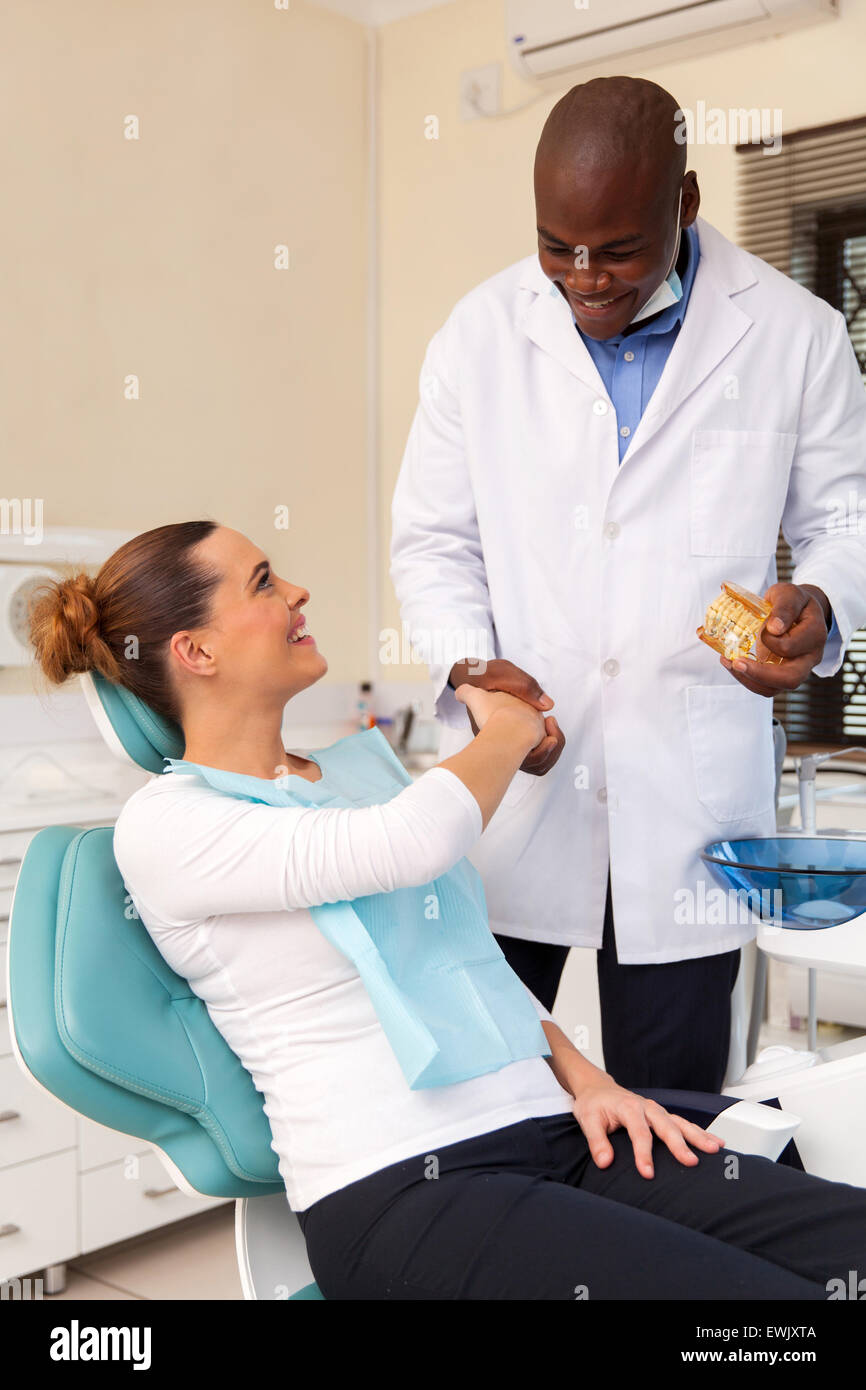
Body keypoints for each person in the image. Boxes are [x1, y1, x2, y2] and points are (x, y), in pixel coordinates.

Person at [28, 520, 866, 1300]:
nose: (297, 592)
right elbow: (407, 843)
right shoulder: (170, 824)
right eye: (263, 583)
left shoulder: (356, 773)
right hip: (402, 1190)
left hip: (558, 1133)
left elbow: (469, 961)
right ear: (196, 650)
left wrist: (593, 1084)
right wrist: (504, 725)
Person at [390, 75, 866, 1094]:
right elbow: (431, 541)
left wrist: (815, 602)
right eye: (555, 245)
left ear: (684, 203)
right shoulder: (477, 335)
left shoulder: (794, 334)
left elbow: (844, 521)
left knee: (675, 1111)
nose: (581, 276)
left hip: (685, 800)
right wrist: (473, 671)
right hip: (515, 792)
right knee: (475, 1092)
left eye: (614, 249)